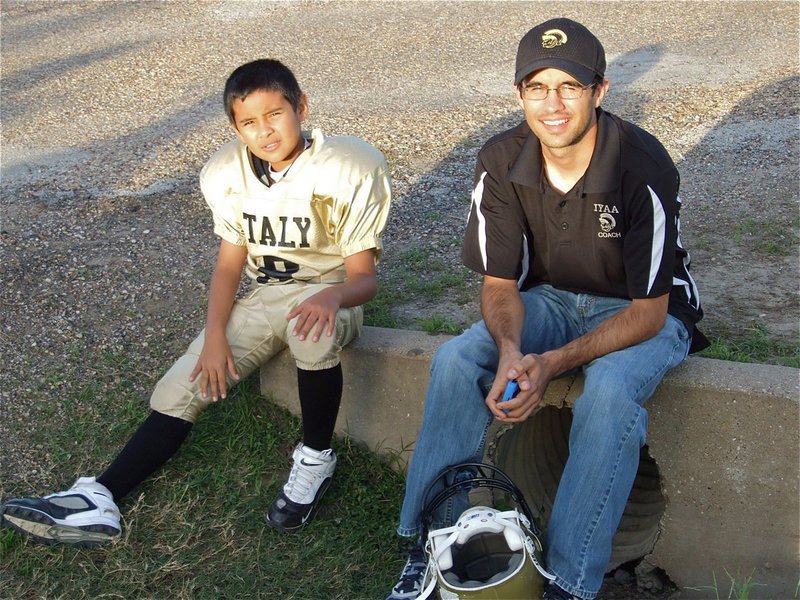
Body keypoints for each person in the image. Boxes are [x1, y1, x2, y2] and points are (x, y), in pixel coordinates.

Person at [1, 58, 392, 545]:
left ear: (301, 107)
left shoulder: (347, 164)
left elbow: (364, 280)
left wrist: (333, 297)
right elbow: (230, 264)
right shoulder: (227, 172)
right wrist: (213, 338)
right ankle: (100, 497)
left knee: (310, 335)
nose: (265, 131)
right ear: (235, 127)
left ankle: (315, 459)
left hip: (329, 293)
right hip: (267, 294)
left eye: (275, 114)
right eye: (249, 122)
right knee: (178, 387)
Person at [386, 18, 705, 600]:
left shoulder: (642, 164)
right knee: (459, 357)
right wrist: (512, 351)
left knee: (609, 391)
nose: (552, 104)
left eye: (569, 87)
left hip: (644, 311)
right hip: (553, 299)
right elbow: (500, 282)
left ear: (599, 91)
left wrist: (551, 363)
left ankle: (568, 580)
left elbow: (650, 312)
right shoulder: (501, 159)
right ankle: (431, 547)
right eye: (537, 87)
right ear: (519, 94)